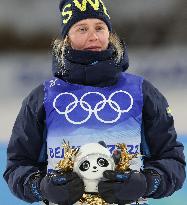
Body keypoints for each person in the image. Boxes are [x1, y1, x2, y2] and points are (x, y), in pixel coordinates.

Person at [3, 0, 186, 205]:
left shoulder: (142, 92)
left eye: (100, 27)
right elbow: (16, 167)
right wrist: (42, 187)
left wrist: (146, 183)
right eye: (82, 29)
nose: (93, 36)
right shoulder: (42, 97)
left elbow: (173, 161)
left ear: (110, 34)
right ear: (66, 39)